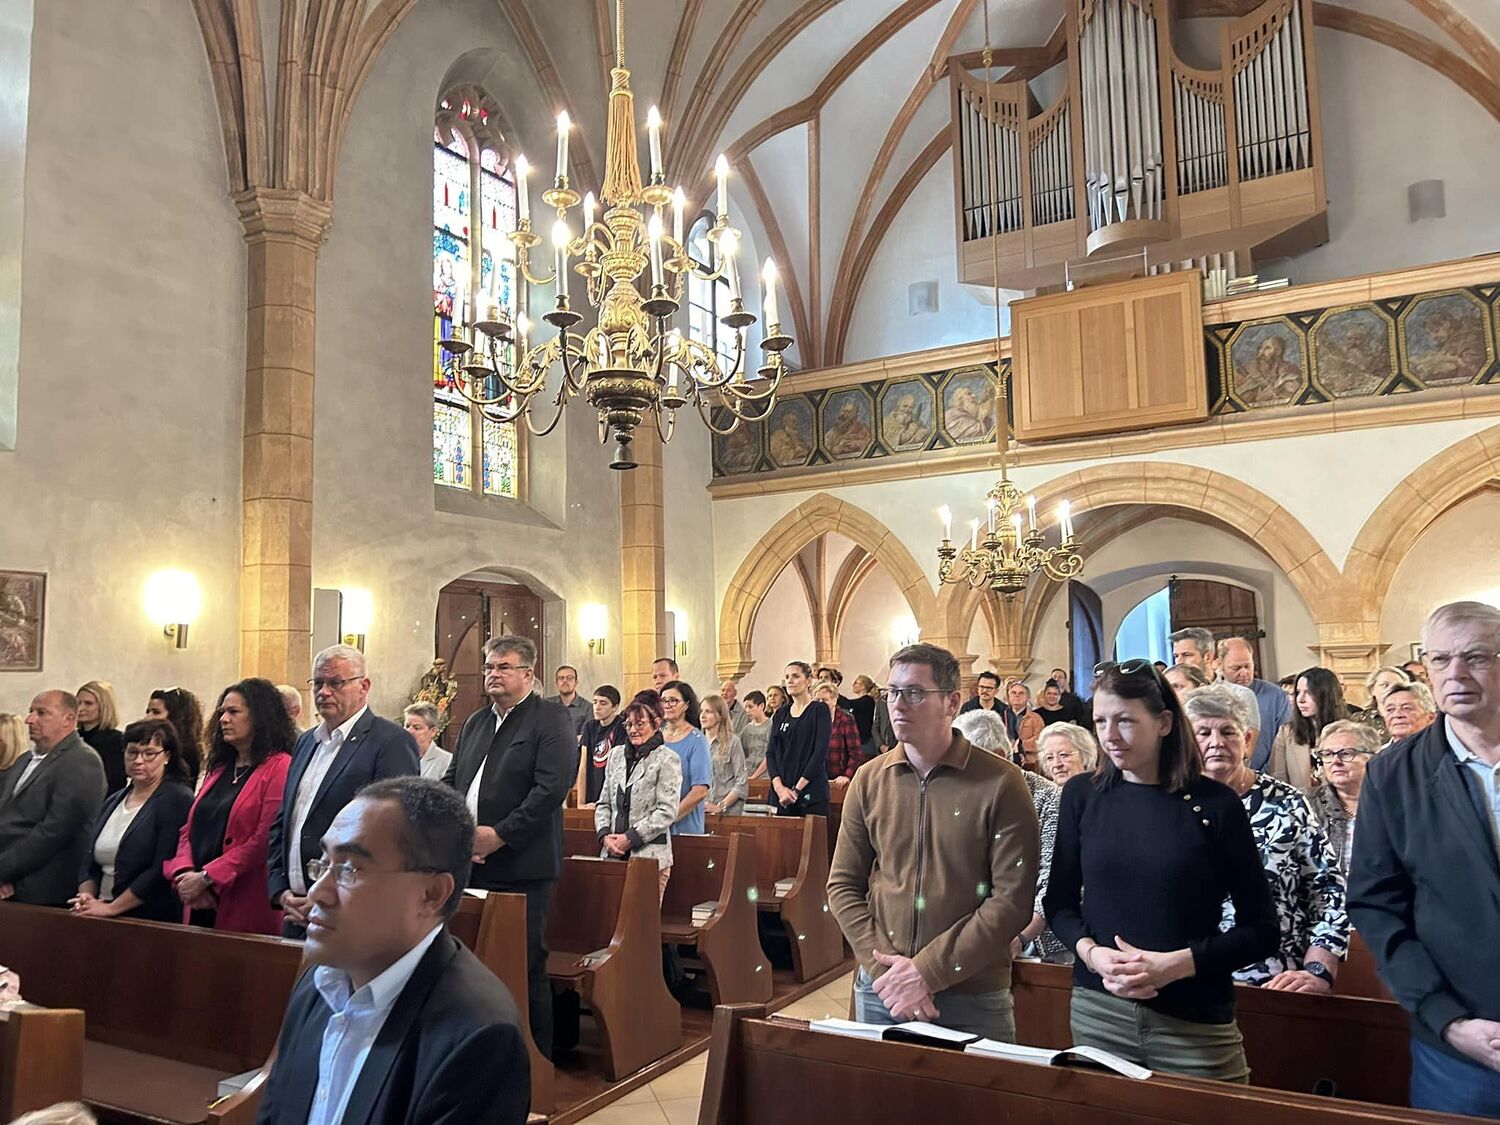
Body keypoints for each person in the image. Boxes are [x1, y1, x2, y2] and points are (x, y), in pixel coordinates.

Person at [1043, 660, 1278, 1082]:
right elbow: (1059, 903)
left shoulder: (1215, 804)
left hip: (1194, 1019)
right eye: (1100, 721)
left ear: (1164, 722)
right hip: (1100, 1010)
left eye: (1125, 721)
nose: (1110, 736)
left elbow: (1261, 930)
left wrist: (1176, 965)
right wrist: (1092, 955)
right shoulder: (1082, 794)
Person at [253, 777, 530, 1125]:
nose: (317, 893)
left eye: (349, 870)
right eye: (322, 863)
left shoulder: (478, 1038)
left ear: (431, 894)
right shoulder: (318, 986)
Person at [829, 643, 1039, 1040]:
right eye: (892, 692)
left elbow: (1011, 900)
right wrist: (887, 972)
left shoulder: (1000, 782)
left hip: (972, 992)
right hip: (883, 988)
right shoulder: (869, 780)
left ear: (952, 702)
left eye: (914, 692)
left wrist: (927, 972)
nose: (897, 704)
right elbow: (842, 885)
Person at [1349, 601, 1500, 1117]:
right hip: (1460, 1045)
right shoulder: (1393, 775)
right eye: (1439, 660)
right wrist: (1448, 1020)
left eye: (1475, 657)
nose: (1455, 673)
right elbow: (1376, 906)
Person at [442, 635, 576, 1060]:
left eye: (503, 667)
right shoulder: (476, 722)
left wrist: (499, 834)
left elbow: (550, 789)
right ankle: (480, 1055)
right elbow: (454, 781)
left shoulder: (549, 718)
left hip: (523, 867)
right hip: (471, 863)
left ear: (528, 674)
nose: (493, 674)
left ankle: (537, 1061)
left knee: (524, 963)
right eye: (489, 667)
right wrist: (452, 829)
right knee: (470, 963)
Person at [1184, 685, 1348, 991]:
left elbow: (1328, 891)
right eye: (1203, 733)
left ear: (1247, 740)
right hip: (1188, 984)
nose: (1216, 742)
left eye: (1228, 732)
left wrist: (1319, 970)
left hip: (1278, 984)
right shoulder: (1169, 805)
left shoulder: (1287, 802)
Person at [270, 646, 420, 939]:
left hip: (348, 910)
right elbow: (284, 820)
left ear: (363, 686)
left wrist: (330, 894)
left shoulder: (389, 741)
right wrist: (280, 891)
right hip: (294, 909)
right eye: (318, 683)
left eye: (336, 683)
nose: (324, 692)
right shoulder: (306, 742)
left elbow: (389, 832)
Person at [167, 679, 294, 934]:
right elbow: (188, 829)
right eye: (222, 712)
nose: (223, 719)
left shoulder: (280, 766)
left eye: (234, 712)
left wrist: (207, 878)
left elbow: (264, 838)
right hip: (198, 898)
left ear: (259, 717)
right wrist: (186, 873)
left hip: (244, 899)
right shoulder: (219, 768)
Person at [955, 709, 1065, 964]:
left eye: (964, 765)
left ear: (998, 756)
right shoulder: (958, 798)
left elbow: (1052, 882)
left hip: (1036, 941)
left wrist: (1019, 938)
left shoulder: (1048, 798)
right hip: (972, 936)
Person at [71, 718, 193, 921]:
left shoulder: (177, 799)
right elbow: (89, 860)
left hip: (146, 916)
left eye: (149, 754)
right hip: (100, 907)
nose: (138, 760)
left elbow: (161, 868)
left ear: (167, 756)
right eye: (132, 752)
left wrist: (113, 908)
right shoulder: (114, 800)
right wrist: (86, 896)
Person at [0, 691, 108, 906]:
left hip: (41, 884)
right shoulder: (24, 760)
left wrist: (4, 871)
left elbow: (55, 831)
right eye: (31, 712)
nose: (30, 719)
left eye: (41, 713)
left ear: (68, 719)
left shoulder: (82, 761)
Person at [595, 694, 682, 902]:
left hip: (649, 858)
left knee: (642, 921)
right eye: (629, 724)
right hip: (613, 854)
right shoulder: (615, 755)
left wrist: (630, 838)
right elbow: (604, 803)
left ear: (656, 724)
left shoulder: (667, 759)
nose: (633, 730)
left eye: (640, 724)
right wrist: (605, 835)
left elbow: (666, 812)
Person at [1308, 720, 1380, 873]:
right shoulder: (1307, 806)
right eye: (1328, 754)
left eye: (1346, 753)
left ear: (1372, 758)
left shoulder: (1394, 804)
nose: (1335, 761)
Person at [766, 661, 832, 817]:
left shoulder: (819, 710)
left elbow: (819, 753)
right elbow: (771, 753)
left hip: (810, 792)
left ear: (808, 681)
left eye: (795, 676)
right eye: (787, 677)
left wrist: (796, 790)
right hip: (781, 794)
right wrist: (779, 788)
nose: (790, 681)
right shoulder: (781, 713)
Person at [1217, 637, 1293, 772]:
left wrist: (1263, 774)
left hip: (1269, 774)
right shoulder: (1211, 695)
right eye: (1236, 668)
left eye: (1248, 666)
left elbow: (1285, 741)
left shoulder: (1275, 695)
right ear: (1220, 665)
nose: (1244, 673)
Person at [1270, 667, 1348, 791]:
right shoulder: (1286, 732)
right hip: (1300, 802)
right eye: (1298, 692)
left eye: (1309, 692)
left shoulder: (1350, 732)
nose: (1300, 700)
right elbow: (1278, 781)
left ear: (1326, 695)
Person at [660, 681, 712, 834]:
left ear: (686, 705)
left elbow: (700, 791)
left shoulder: (697, 740)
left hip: (683, 826)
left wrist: (666, 819)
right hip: (654, 827)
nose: (667, 705)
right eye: (663, 701)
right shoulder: (656, 737)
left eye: (673, 701)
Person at [576, 686, 626, 807]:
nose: (597, 707)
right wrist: (580, 803)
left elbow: (618, 768)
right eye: (595, 702)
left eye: (603, 703)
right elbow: (583, 766)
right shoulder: (589, 726)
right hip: (591, 793)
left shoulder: (621, 726)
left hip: (611, 798)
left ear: (614, 707)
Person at [146, 687, 205, 786]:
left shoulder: (186, 752)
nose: (148, 717)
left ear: (175, 716)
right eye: (148, 712)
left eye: (156, 712)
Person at [75, 681, 126, 796]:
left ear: (104, 706)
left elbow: (113, 782)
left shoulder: (117, 741)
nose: (80, 708)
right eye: (78, 703)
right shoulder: (72, 739)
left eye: (88, 703)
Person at [700, 694, 747, 816]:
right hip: (701, 811)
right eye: (701, 711)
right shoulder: (697, 743)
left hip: (727, 813)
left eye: (708, 711)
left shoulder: (733, 742)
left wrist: (720, 806)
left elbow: (741, 781)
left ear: (720, 715)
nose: (702, 715)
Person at [816, 681, 861, 792]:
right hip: (817, 778)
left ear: (834, 700)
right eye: (817, 700)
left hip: (839, 779)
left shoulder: (846, 719)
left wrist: (846, 776)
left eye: (824, 700)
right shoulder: (811, 720)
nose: (820, 703)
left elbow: (855, 753)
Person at [402, 703, 453, 781]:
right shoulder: (396, 757)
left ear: (433, 732)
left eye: (417, 728)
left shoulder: (447, 761)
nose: (409, 731)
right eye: (407, 726)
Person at [1038, 723, 1096, 787]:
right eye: (1050, 758)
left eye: (1063, 755)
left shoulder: (1100, 790)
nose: (1056, 764)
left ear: (1085, 756)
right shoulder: (1042, 791)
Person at [1004, 681, 1044, 766]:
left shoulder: (1036, 718)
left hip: (1029, 762)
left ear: (1027, 697)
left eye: (1021, 693)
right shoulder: (1001, 716)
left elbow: (1040, 740)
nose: (1017, 695)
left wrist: (1020, 745)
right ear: (1009, 696)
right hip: (1005, 760)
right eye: (1013, 693)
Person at [544, 665, 590, 738]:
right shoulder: (546, 705)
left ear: (576, 682)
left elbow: (586, 736)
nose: (565, 681)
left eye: (569, 678)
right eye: (561, 678)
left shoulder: (588, 707)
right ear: (556, 683)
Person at [740, 690, 772, 780]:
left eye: (750, 707)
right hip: (748, 774)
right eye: (746, 707)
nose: (747, 710)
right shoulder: (747, 729)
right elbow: (742, 754)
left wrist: (754, 777)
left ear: (761, 706)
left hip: (766, 776)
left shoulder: (771, 726)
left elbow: (770, 756)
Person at [847, 674, 878, 752]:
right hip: (860, 742)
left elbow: (847, 703)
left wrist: (834, 693)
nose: (853, 685)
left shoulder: (867, 700)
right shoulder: (863, 701)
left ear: (863, 686)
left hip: (865, 743)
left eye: (856, 683)